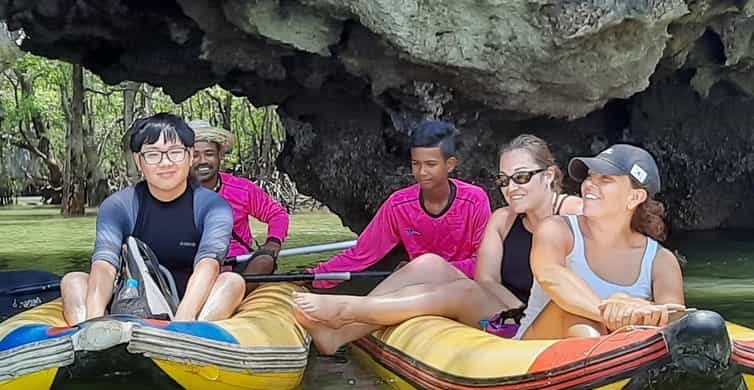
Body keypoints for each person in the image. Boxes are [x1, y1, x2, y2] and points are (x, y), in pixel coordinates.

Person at [292, 134, 581, 354]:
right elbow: (486, 280)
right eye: (504, 180)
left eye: (521, 177)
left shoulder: (577, 215)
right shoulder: (503, 220)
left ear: (550, 175)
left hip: (550, 319)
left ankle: (349, 310)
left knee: (463, 290)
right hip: (506, 307)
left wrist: (529, 312)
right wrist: (517, 307)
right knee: (428, 264)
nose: (511, 189)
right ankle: (340, 334)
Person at [60, 113, 245, 325]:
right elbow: (105, 263)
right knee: (72, 281)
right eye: (153, 155)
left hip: (190, 307)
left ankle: (186, 337)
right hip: (131, 300)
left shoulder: (213, 206)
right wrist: (94, 321)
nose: (165, 163)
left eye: (175, 153)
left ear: (190, 155)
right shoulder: (118, 206)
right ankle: (92, 338)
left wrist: (183, 319)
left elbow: (208, 263)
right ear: (139, 160)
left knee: (232, 282)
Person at [516, 144, 685, 339]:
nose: (588, 184)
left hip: (614, 354)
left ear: (635, 197)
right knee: (571, 311)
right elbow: (550, 275)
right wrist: (612, 311)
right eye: (589, 176)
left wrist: (635, 309)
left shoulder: (661, 261)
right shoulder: (555, 229)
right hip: (534, 350)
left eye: (605, 179)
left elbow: (674, 322)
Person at [189, 119, 289, 290]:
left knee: (264, 260)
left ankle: (235, 296)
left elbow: (278, 215)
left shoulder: (242, 188)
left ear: (220, 155)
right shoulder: (172, 192)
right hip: (192, 267)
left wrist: (273, 243)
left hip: (238, 266)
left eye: (209, 154)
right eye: (195, 155)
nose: (202, 161)